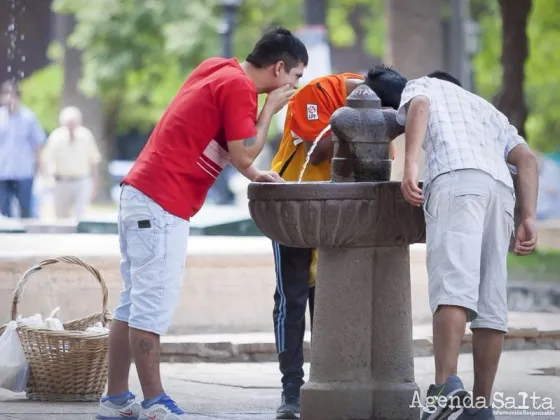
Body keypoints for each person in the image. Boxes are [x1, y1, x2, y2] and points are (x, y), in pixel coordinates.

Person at [95, 27, 307, 420]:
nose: (295, 86)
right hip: (162, 201)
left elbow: (231, 149)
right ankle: (155, 402)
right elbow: (243, 154)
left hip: (142, 194)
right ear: (279, 68)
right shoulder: (240, 88)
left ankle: (116, 399)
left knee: (132, 303)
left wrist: (256, 173)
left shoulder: (218, 69)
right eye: (295, 77)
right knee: (150, 306)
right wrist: (269, 111)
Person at [398, 70, 539, 420]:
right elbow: (527, 160)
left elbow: (420, 105)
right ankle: (481, 405)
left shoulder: (426, 85)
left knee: (453, 287)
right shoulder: (486, 109)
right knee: (490, 300)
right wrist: (529, 217)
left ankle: (445, 385)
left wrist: (410, 165)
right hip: (500, 191)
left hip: (457, 180)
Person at [269, 65, 408, 419]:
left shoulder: (373, 112)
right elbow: (316, 152)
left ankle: (326, 383)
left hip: (340, 210)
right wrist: (360, 124)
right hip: (295, 205)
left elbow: (377, 163)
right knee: (293, 297)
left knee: (329, 299)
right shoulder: (315, 94)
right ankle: (291, 390)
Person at [41, 106, 101, 221]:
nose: (71, 126)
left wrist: (95, 185)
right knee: (60, 217)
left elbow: (94, 161)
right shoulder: (56, 137)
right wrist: (47, 180)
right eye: (68, 123)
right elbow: (46, 159)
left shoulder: (86, 136)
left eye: (73, 123)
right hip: (61, 182)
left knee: (80, 217)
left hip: (81, 181)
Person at [0, 80, 46, 218]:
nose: (9, 98)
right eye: (6, 94)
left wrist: (39, 168)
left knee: (26, 210)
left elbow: (38, 144)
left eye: (12, 94)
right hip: (2, 172)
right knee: (3, 210)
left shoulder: (28, 117)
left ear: (18, 97)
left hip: (23, 171)